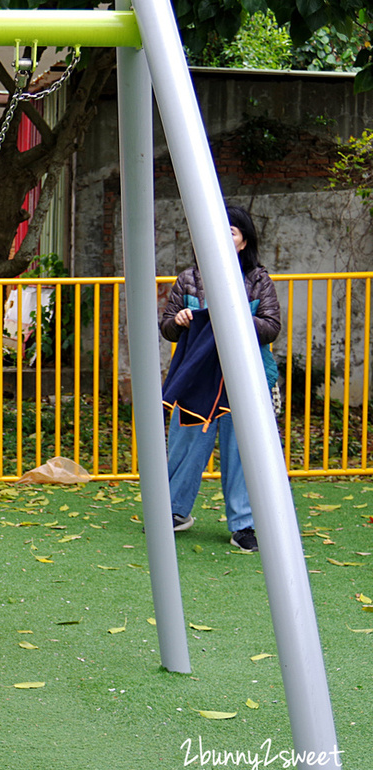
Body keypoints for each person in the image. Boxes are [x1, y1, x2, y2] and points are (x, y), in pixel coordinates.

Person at [159, 204, 281, 553]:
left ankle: (244, 524)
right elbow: (167, 327)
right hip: (197, 375)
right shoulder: (189, 279)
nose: (220, 237)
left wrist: (234, 317)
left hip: (243, 377)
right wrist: (181, 319)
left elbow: (271, 327)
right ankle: (174, 511)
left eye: (230, 231)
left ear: (243, 241)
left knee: (241, 450)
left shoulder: (258, 279)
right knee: (185, 444)